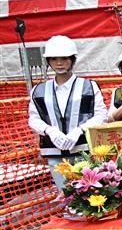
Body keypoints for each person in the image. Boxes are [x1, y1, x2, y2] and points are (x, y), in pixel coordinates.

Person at [28, 36, 108, 188]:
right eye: (54, 59)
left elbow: (101, 115)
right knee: (65, 196)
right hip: (54, 153)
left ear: (72, 59)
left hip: (84, 151)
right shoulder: (39, 90)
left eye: (64, 58)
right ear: (48, 61)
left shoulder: (89, 86)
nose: (59, 63)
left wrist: (79, 130)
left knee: (88, 196)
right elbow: (34, 118)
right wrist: (49, 130)